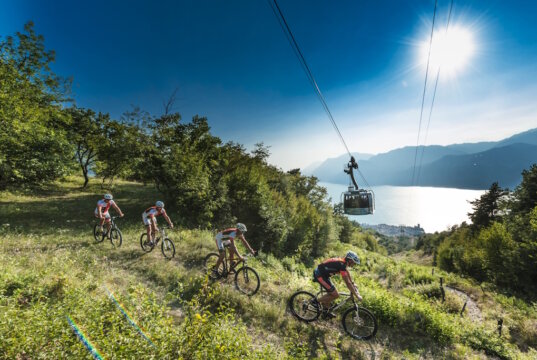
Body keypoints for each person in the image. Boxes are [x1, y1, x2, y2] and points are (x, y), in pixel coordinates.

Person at [313, 251, 362, 318]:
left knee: (332, 293)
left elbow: (347, 273)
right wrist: (357, 295)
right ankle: (315, 301)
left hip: (324, 275)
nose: (354, 264)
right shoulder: (341, 265)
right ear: (350, 260)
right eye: (354, 262)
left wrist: (353, 283)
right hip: (319, 275)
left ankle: (325, 312)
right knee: (335, 295)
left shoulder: (343, 263)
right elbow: (347, 283)